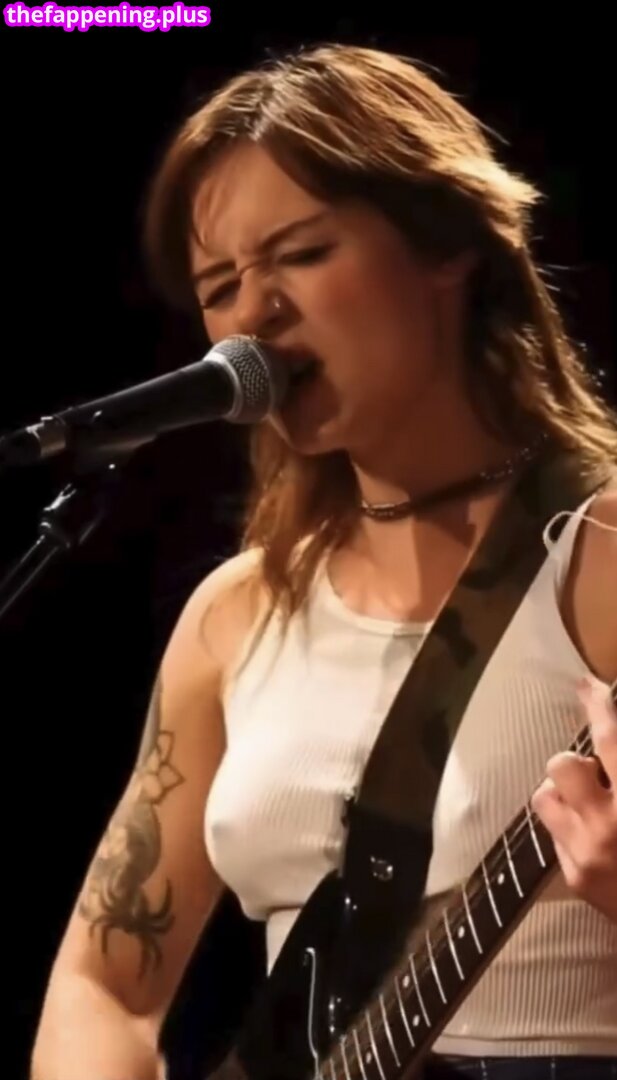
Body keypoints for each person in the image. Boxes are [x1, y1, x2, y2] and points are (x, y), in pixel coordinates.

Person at [30, 41, 617, 1080]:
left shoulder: (599, 558)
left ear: (445, 242)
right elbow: (105, 980)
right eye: (219, 285)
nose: (250, 315)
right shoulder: (236, 613)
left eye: (299, 254)